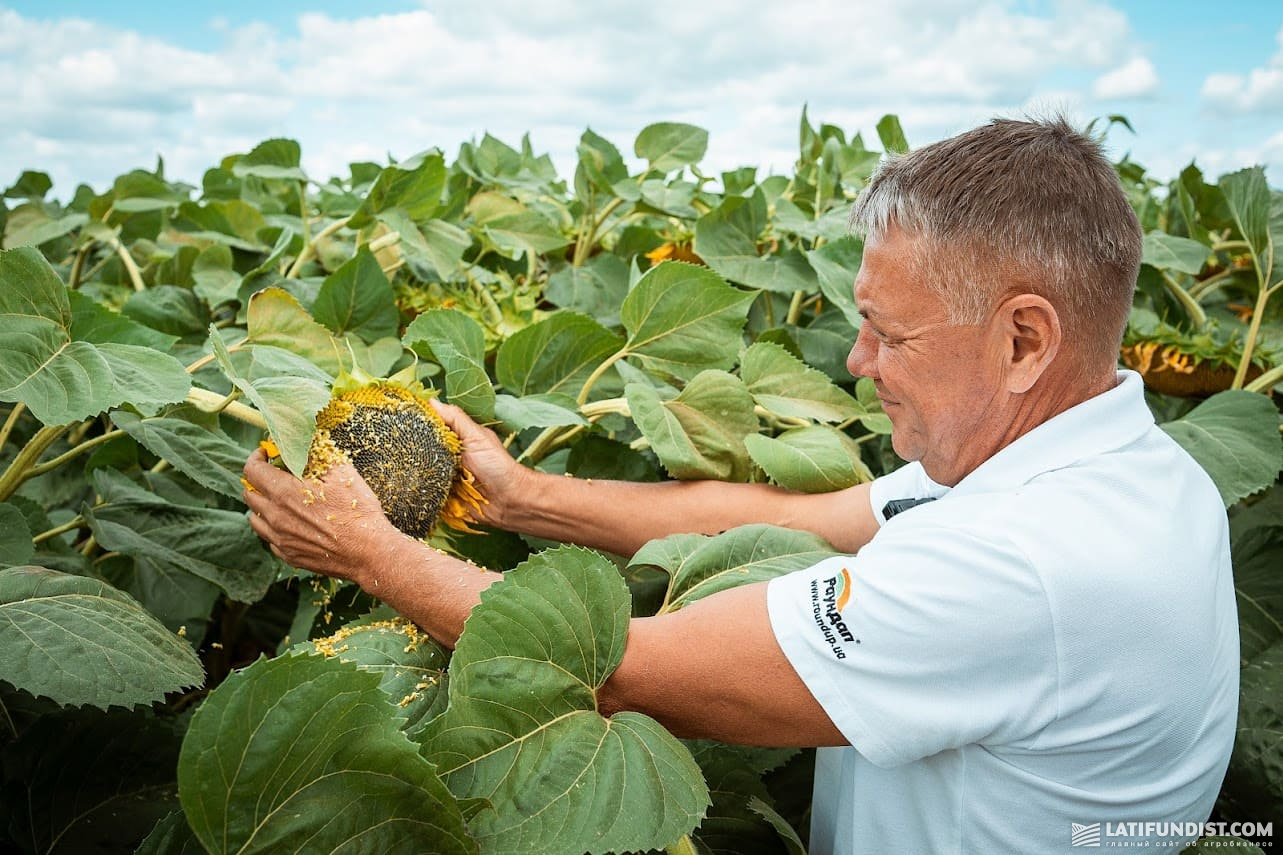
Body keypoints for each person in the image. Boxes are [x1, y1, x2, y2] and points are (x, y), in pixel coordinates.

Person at [242, 116, 1238, 853]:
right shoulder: (1112, 468)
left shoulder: (1026, 565)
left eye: (887, 333)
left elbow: (625, 669)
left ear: (1021, 340)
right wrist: (521, 497)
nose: (856, 362)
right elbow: (794, 518)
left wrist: (367, 549)